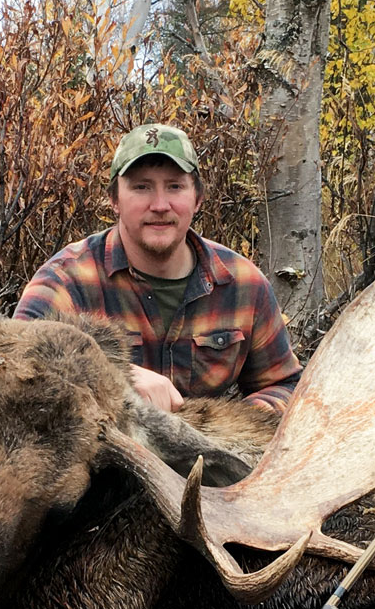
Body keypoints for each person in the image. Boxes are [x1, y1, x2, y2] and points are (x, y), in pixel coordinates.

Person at [15, 124, 302, 414]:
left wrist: (232, 429)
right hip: (105, 451)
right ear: (114, 199)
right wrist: (118, 377)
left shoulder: (243, 284)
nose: (160, 205)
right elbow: (15, 364)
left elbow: (285, 384)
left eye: (175, 186)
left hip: (210, 451)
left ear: (198, 198)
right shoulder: (67, 280)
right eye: (142, 187)